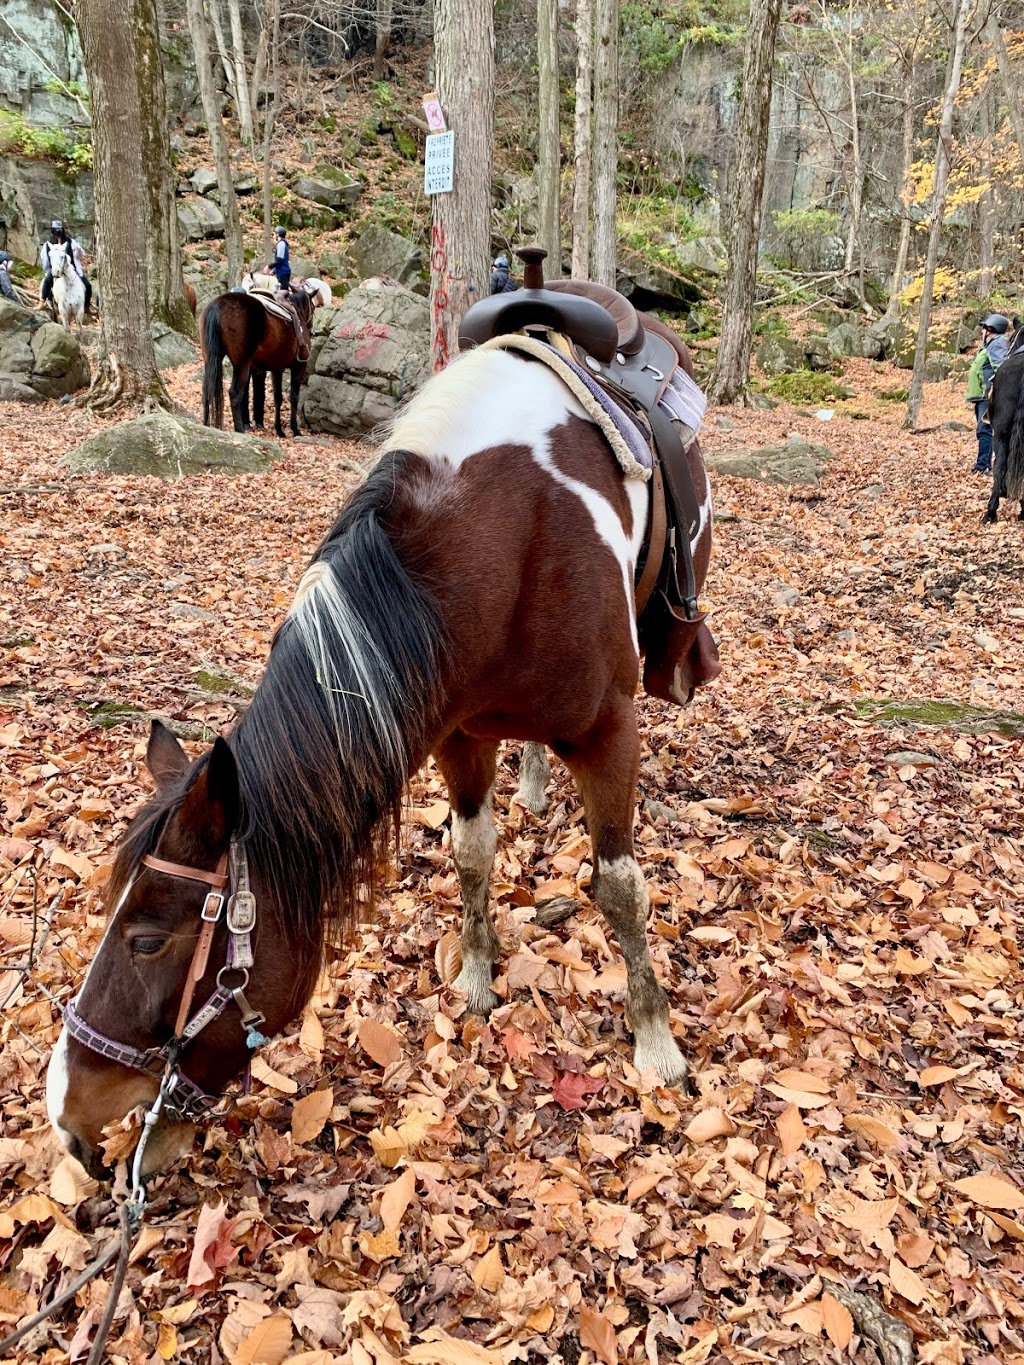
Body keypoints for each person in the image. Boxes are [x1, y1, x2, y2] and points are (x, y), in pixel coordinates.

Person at [965, 313, 1010, 475]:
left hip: (987, 396)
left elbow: (1001, 368)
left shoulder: (997, 344)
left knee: (984, 430)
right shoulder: (989, 346)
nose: (981, 332)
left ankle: (983, 465)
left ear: (991, 329)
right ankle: (985, 464)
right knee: (983, 430)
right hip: (981, 396)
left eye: (984, 329)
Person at [39, 220, 92, 317]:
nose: (58, 231)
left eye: (60, 229)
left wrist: (78, 251)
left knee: (87, 285)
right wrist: (47, 270)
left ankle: (87, 306)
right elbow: (45, 259)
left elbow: (81, 254)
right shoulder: (48, 244)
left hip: (71, 268)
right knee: (47, 281)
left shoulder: (70, 242)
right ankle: (42, 301)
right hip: (55, 268)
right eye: (56, 229)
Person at [266, 226, 291, 292]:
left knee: (283, 294)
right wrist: (274, 271)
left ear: (278, 234)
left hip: (283, 273)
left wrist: (268, 267)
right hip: (282, 272)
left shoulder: (281, 244)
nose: (273, 236)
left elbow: (279, 260)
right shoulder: (282, 244)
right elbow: (281, 261)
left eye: (274, 234)